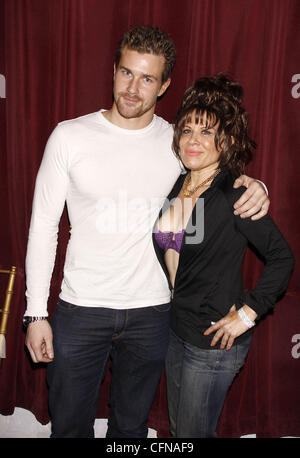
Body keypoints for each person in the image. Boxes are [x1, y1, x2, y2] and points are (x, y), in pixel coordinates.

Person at [24, 26, 269, 438]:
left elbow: (219, 178)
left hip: (154, 313)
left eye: (148, 78)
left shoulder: (176, 142)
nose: (133, 89)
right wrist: (35, 312)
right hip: (81, 309)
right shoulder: (69, 136)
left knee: (130, 430)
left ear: (165, 85)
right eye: (126, 73)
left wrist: (257, 185)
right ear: (114, 71)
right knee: (68, 428)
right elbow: (43, 227)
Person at [153, 73, 294, 438]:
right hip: (174, 331)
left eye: (205, 132)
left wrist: (247, 315)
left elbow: (282, 258)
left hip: (212, 343)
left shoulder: (235, 193)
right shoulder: (178, 183)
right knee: (180, 432)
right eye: (186, 130)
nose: (193, 140)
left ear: (225, 140)